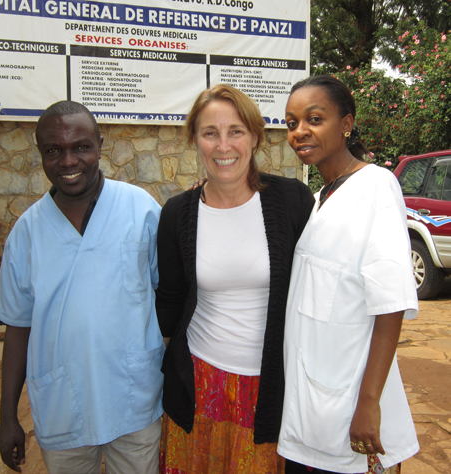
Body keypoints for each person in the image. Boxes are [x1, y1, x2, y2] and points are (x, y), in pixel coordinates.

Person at [0, 101, 164, 474]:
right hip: (63, 405)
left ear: (100, 145)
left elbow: (168, 297)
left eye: (80, 146)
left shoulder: (141, 210)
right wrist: (7, 417)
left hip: (134, 399)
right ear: (40, 154)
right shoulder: (27, 232)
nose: (68, 161)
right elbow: (17, 326)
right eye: (54, 150)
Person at [155, 84, 315, 473]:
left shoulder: (293, 201)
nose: (223, 145)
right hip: (201, 384)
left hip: (271, 387)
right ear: (195, 139)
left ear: (256, 137)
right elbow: (171, 304)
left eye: (236, 131)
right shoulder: (177, 214)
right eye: (210, 133)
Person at [277, 75, 419, 474]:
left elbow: (389, 302)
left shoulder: (375, 186)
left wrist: (369, 402)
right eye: (291, 123)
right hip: (311, 409)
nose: (300, 131)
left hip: (349, 409)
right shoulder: (322, 197)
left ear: (346, 123)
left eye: (314, 119)